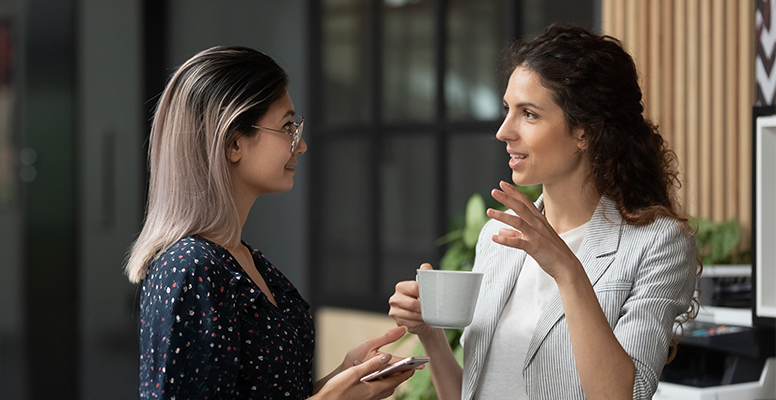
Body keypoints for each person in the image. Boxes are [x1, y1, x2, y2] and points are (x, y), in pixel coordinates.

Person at [388, 23, 699, 400]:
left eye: (529, 114)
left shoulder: (657, 244)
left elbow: (623, 395)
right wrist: (431, 335)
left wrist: (566, 268)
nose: (504, 130)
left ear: (585, 131)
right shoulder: (498, 237)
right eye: (507, 110)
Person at [125, 46, 413, 400]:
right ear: (233, 143)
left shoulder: (244, 259)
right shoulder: (190, 268)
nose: (301, 144)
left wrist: (345, 377)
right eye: (287, 127)